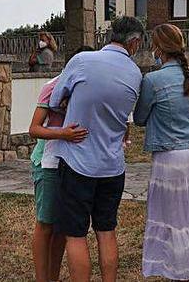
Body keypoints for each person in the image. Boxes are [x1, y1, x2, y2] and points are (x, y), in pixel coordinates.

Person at [49, 17, 144, 282]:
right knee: (106, 231)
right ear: (134, 42)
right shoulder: (135, 73)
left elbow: (55, 101)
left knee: (76, 235)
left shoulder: (82, 61)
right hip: (112, 164)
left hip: (77, 160)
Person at [134, 24, 189, 282]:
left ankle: (177, 271)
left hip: (170, 156)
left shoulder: (152, 80)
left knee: (174, 220)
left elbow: (139, 117)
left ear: (158, 48)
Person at [28, 74, 88, 282]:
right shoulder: (53, 86)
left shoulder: (91, 88)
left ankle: (52, 277)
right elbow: (34, 128)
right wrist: (63, 134)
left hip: (74, 164)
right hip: (48, 163)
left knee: (62, 227)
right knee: (46, 224)